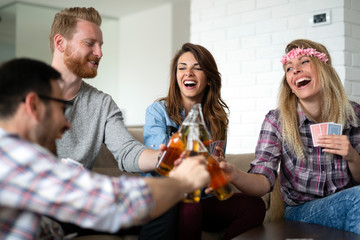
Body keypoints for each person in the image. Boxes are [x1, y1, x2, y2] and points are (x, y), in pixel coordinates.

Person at [0, 58, 210, 239]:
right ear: (33, 106)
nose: (67, 124)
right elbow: (115, 202)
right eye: (61, 109)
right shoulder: (12, 156)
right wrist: (183, 180)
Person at [220, 39, 360, 234]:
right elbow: (263, 180)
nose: (295, 70)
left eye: (304, 62)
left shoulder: (354, 114)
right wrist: (233, 173)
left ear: (324, 68)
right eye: (288, 68)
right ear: (290, 86)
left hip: (348, 204)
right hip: (301, 213)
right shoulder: (277, 120)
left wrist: (352, 156)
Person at [142, 43, 266, 240]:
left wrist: (217, 165)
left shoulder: (217, 118)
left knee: (254, 206)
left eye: (197, 68)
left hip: (204, 197)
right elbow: (161, 160)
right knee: (190, 205)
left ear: (209, 78)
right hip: (170, 196)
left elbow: (213, 165)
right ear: (176, 77)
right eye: (182, 68)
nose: (188, 73)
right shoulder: (157, 111)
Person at [50, 6, 159, 172]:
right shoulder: (21, 92)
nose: (99, 53)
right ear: (60, 43)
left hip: (78, 195)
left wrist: (167, 159)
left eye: (100, 45)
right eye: (89, 43)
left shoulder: (102, 104)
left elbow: (127, 151)